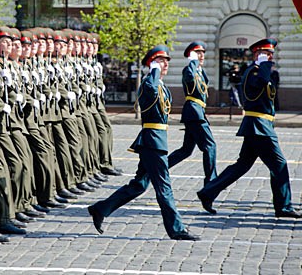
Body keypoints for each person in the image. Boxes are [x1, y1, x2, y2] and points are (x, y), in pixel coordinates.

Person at [87, 45, 200, 241]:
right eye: (161, 61)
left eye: (166, 61)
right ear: (152, 64)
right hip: (152, 142)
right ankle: (176, 229)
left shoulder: (160, 85)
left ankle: (100, 209)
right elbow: (149, 90)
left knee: (139, 185)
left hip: (157, 141)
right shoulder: (149, 83)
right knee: (164, 187)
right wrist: (154, 71)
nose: (165, 64)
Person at [196, 38, 301, 218]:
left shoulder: (262, 72)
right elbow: (258, 86)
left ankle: (208, 192)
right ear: (257, 55)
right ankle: (283, 207)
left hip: (261, 126)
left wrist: (266, 67)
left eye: (270, 54)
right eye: (266, 54)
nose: (269, 57)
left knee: (242, 165)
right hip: (258, 127)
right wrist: (263, 66)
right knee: (279, 164)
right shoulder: (253, 73)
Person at [168, 41, 217, 186]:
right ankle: (211, 183)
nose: (201, 55)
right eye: (197, 52)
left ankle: (158, 168)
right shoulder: (189, 70)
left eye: (202, 52)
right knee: (210, 146)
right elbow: (189, 78)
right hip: (194, 112)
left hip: (197, 112)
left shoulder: (200, 72)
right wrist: (193, 62)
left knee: (186, 150)